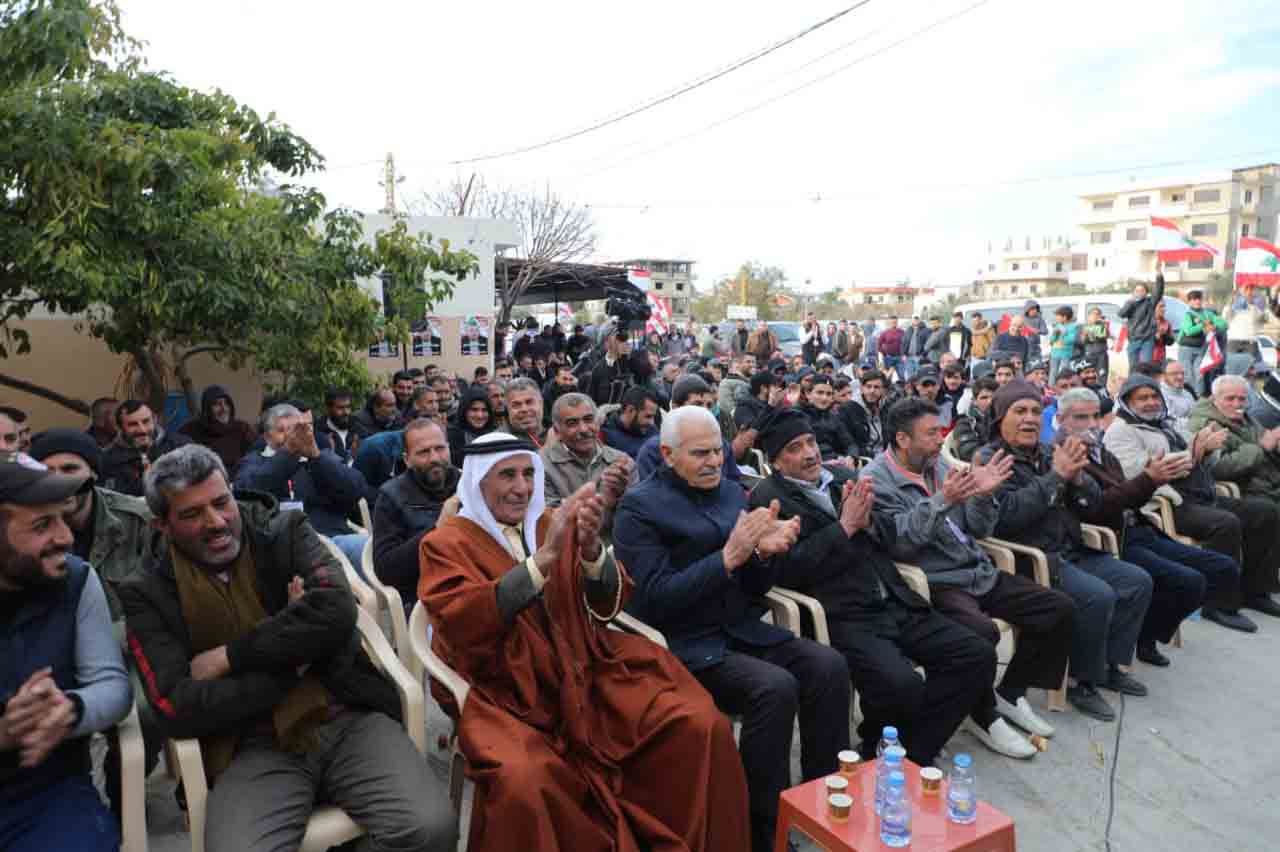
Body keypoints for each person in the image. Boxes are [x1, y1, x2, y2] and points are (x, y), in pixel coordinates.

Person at [419, 432, 749, 852]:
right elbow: (461, 621)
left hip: (585, 666)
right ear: (478, 481)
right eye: (506, 475)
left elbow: (607, 607)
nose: (521, 487)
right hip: (505, 688)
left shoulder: (548, 521)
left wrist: (592, 553)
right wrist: (541, 562)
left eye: (526, 474)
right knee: (525, 781)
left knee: (700, 723)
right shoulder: (445, 544)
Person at [122, 445, 455, 852]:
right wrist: (293, 658)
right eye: (192, 514)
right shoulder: (147, 590)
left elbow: (334, 613)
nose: (216, 522)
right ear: (162, 526)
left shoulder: (283, 532)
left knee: (430, 828)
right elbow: (177, 706)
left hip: (345, 712)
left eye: (221, 502)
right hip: (249, 744)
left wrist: (230, 657)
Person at [614, 407, 848, 852]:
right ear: (667, 454)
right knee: (775, 689)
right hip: (682, 644)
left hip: (741, 629)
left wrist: (766, 555)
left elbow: (755, 586)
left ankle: (819, 803)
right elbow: (655, 599)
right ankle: (763, 830)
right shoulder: (638, 508)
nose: (714, 463)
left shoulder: (731, 493)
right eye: (699, 454)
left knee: (828, 665)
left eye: (718, 453)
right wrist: (728, 558)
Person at [751, 406, 1039, 764]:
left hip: (895, 598)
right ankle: (888, 749)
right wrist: (843, 528)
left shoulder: (842, 478)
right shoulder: (768, 500)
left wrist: (870, 518)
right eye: (794, 447)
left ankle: (911, 754)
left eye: (810, 441)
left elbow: (892, 536)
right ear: (776, 461)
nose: (810, 453)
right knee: (902, 685)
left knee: (975, 654)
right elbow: (788, 572)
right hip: (842, 614)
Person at [864, 400, 1073, 747]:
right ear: (903, 439)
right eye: (931, 433)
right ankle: (983, 715)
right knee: (981, 634)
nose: (939, 439)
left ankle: (1010, 692)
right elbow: (900, 543)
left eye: (940, 430)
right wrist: (943, 499)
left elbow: (978, 528)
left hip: (975, 569)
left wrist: (983, 497)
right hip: (934, 580)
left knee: (1057, 608)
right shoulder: (875, 480)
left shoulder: (939, 466)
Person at [979, 380, 1153, 721]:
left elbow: (1092, 505)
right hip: (1032, 559)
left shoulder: (1047, 453)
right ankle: (1081, 682)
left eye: (1034, 410)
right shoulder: (991, 458)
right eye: (1020, 411)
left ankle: (1106, 664)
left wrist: (1077, 480)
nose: (1030, 419)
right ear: (1001, 417)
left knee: (1137, 580)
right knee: (1097, 595)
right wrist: (1055, 478)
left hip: (1070, 550)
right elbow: (1008, 517)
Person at [0, 459, 133, 852]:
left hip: (48, 796)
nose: (66, 537)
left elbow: (112, 687)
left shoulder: (75, 581)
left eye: (63, 519)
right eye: (42, 526)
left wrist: (70, 710)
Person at [1056, 387, 1240, 665]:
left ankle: (1147, 630)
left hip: (1139, 526)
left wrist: (1155, 478)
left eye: (1096, 416)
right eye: (1081, 417)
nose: (1092, 424)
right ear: (1060, 420)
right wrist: (1150, 479)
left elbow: (1130, 495)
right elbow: (1097, 510)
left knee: (1222, 568)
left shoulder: (1102, 452)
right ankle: (1143, 639)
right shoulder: (1062, 456)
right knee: (1188, 581)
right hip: (1112, 539)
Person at [1105, 374, 1269, 631]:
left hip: (1199, 493)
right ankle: (1219, 604)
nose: (1150, 403)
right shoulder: (1121, 431)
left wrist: (1209, 449)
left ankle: (1256, 590)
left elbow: (1205, 460)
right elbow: (1134, 471)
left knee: (1264, 512)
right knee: (1225, 524)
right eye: (1142, 398)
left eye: (1154, 396)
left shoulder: (1168, 423)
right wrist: (1195, 452)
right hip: (1166, 500)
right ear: (1127, 402)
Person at [233, 403, 369, 569]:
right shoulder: (255, 460)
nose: (291, 436)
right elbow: (244, 492)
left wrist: (317, 458)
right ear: (267, 437)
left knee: (366, 548)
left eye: (295, 430)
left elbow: (356, 489)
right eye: (282, 430)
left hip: (333, 538)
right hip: (282, 547)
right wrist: (287, 454)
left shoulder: (321, 456)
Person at [371, 419, 459, 614]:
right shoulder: (392, 496)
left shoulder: (468, 484)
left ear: (449, 449)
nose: (434, 457)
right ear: (407, 459)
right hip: (425, 602)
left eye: (439, 448)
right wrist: (438, 530)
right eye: (423, 452)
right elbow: (386, 569)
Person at [541, 393, 636, 533]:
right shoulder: (540, 466)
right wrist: (605, 499)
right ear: (557, 432)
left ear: (598, 422)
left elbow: (636, 520)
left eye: (588, 419)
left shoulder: (623, 463)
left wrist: (621, 498)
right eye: (572, 423)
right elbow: (551, 525)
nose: (583, 429)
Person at [635, 376, 745, 482]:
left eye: (709, 405)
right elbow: (649, 495)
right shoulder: (653, 451)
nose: (705, 411)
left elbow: (733, 484)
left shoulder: (722, 445)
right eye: (697, 404)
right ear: (676, 407)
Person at [98, 400, 192, 497]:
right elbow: (112, 497)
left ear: (155, 419)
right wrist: (143, 483)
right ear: (120, 428)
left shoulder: (180, 445)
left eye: (146, 421)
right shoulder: (109, 459)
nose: (142, 430)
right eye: (133, 424)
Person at [179, 385, 257, 475]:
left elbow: (256, 456)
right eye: (217, 404)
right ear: (207, 408)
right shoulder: (192, 430)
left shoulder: (242, 429)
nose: (224, 409)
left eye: (226, 403)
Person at [800, 375, 856, 460]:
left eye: (829, 394)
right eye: (820, 393)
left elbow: (850, 444)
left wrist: (851, 457)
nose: (824, 398)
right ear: (808, 394)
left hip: (838, 462)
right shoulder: (798, 416)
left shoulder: (833, 417)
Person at [1119, 271, 1166, 367]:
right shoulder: (1130, 303)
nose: (1139, 293)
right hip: (1133, 340)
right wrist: (1131, 302)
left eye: (1142, 290)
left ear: (1146, 292)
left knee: (1145, 366)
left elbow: (1159, 291)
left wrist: (1159, 276)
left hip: (1147, 340)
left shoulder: (1150, 303)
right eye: (1137, 291)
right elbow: (1121, 314)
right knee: (1133, 367)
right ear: (1133, 292)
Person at [600, 385, 660, 459]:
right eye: (648, 416)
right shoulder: (605, 435)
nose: (652, 422)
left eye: (653, 416)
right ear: (630, 410)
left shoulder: (652, 430)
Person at [446, 386, 497, 468]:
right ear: (464, 410)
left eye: (484, 410)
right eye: (474, 410)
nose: (480, 415)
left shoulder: (495, 435)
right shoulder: (453, 436)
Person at [839, 369, 888, 453]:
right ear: (862, 388)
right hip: (864, 457)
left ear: (883, 390)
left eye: (876, 387)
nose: (872, 391)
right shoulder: (848, 409)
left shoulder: (886, 407)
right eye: (868, 386)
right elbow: (850, 442)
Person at [952, 377, 999, 462]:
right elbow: (969, 452)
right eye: (984, 397)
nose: (990, 401)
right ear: (974, 401)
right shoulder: (965, 423)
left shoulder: (1004, 419)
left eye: (994, 397)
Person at [314, 387, 367, 461]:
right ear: (328, 409)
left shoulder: (359, 429)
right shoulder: (318, 432)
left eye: (348, 407)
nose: (346, 412)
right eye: (340, 408)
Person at [585, 332, 633, 406]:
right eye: (619, 340)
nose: (624, 344)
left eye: (625, 340)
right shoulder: (598, 368)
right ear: (606, 343)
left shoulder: (631, 364)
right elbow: (590, 400)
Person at [503, 378, 546, 447]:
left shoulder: (559, 435)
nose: (524, 409)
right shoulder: (500, 442)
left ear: (541, 403)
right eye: (516, 405)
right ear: (507, 409)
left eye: (529, 402)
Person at [1079, 307, 1111, 386]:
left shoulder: (1103, 325)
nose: (1096, 316)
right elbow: (1082, 341)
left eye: (1098, 314)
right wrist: (1086, 332)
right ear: (1089, 316)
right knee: (1089, 374)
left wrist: (1105, 326)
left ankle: (1102, 391)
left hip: (1101, 353)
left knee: (1102, 374)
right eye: (1094, 314)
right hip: (1089, 353)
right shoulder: (1084, 326)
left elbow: (1107, 336)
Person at [1161, 360, 1197, 429]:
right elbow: (1168, 421)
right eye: (1174, 373)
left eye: (1182, 373)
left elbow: (1196, 414)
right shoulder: (1159, 394)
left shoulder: (1187, 393)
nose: (1180, 377)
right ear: (1164, 376)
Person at [1048, 306, 1079, 383]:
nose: (1056, 318)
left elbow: (1071, 340)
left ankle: (1064, 386)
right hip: (1054, 353)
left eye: (1058, 316)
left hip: (1065, 354)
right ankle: (1051, 388)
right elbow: (1051, 341)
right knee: (1053, 372)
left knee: (1064, 372)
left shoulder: (1073, 327)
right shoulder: (1057, 325)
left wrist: (1063, 333)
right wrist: (1055, 334)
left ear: (1064, 317)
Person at [902, 315, 926, 380]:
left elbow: (927, 344)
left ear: (920, 320)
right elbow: (903, 342)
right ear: (912, 320)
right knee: (909, 376)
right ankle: (910, 389)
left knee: (919, 375)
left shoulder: (924, 330)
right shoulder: (908, 329)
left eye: (917, 319)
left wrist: (923, 354)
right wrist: (903, 354)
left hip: (918, 356)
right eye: (914, 319)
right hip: (908, 357)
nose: (915, 320)